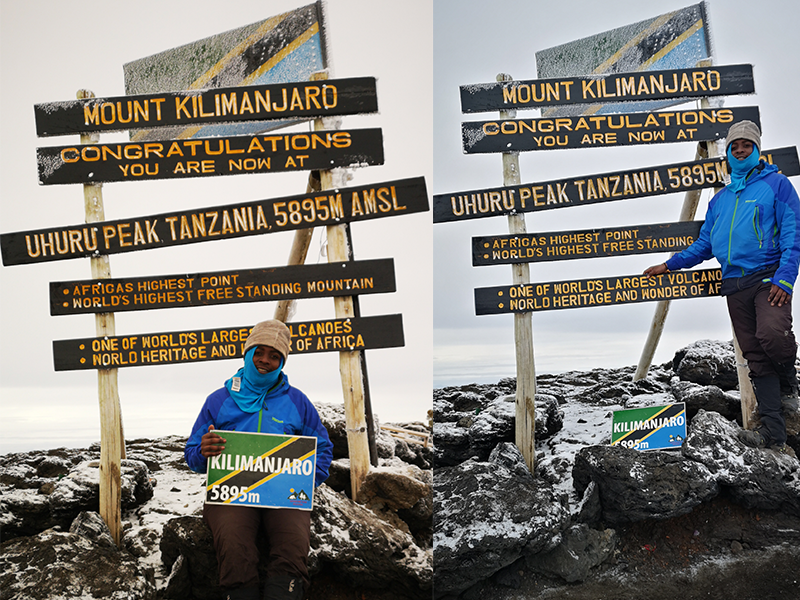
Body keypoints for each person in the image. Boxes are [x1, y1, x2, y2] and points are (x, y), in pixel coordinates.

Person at [644, 120, 800, 457]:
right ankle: (774, 436)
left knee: (772, 334)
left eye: (747, 145)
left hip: (767, 277)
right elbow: (704, 246)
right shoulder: (720, 201)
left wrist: (785, 278)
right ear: (728, 154)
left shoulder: (777, 185)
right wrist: (669, 264)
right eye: (735, 146)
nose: (740, 150)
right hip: (733, 284)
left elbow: (792, 235)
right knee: (755, 357)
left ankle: (789, 379)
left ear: (758, 150)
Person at [185, 319, 334, 600]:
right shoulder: (219, 399)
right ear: (248, 353)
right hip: (232, 492)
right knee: (233, 541)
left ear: (282, 362)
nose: (265, 360)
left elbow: (323, 447)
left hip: (284, 492)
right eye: (259, 352)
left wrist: (306, 479)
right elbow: (192, 455)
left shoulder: (297, 401)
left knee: (293, 543)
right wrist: (202, 452)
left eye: (274, 355)